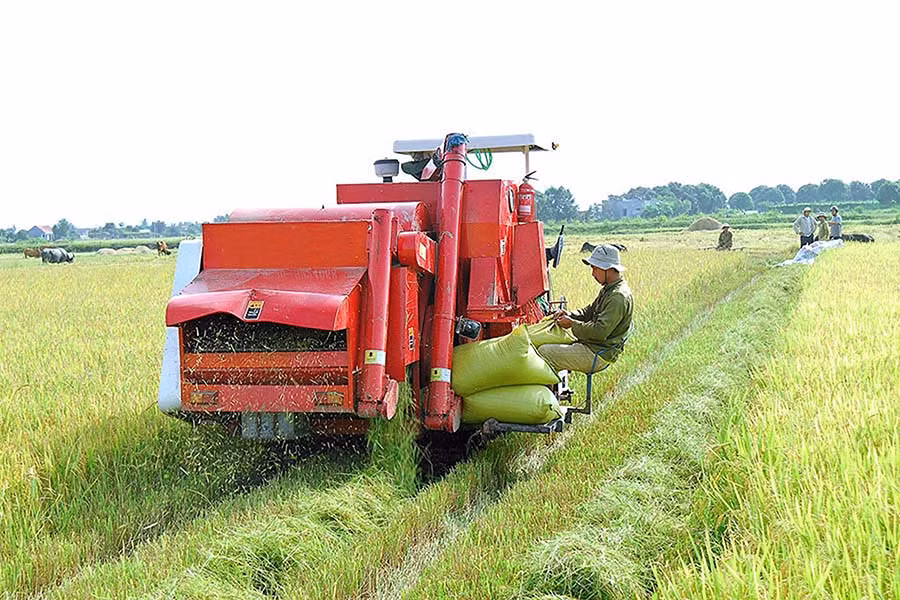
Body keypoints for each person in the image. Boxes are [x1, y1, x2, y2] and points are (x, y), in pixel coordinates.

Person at [536, 244, 633, 374]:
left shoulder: (617, 297)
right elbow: (588, 311)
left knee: (543, 352)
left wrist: (571, 324)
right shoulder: (609, 289)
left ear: (608, 269)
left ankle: (546, 392)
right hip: (594, 346)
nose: (592, 274)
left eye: (595, 268)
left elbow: (599, 332)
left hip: (598, 354)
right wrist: (569, 314)